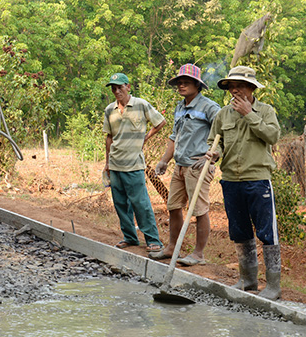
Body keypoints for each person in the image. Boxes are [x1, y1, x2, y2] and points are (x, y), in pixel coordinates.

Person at [205, 65, 282, 300]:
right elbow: (214, 140)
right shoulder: (223, 114)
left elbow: (273, 136)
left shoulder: (266, 111)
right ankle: (247, 280)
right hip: (231, 180)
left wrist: (250, 114)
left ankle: (273, 286)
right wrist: (214, 153)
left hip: (257, 180)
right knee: (239, 231)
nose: (235, 91)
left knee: (267, 232)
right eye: (231, 87)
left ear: (251, 88)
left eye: (239, 86)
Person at [151, 64, 220, 266]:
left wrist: (214, 156)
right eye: (179, 82)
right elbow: (174, 136)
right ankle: (172, 247)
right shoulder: (180, 108)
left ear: (197, 85)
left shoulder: (209, 107)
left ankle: (198, 254)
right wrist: (164, 160)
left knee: (199, 210)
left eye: (186, 82)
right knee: (173, 206)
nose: (181, 85)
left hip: (198, 166)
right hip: (179, 166)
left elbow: (223, 132)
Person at [103, 73, 166, 254]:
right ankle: (130, 237)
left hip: (134, 165)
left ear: (128, 87)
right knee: (121, 204)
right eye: (113, 88)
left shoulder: (141, 104)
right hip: (115, 164)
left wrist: (146, 137)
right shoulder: (110, 110)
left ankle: (153, 240)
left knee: (141, 203)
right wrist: (107, 162)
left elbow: (160, 122)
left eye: (120, 87)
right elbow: (109, 137)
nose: (116, 91)